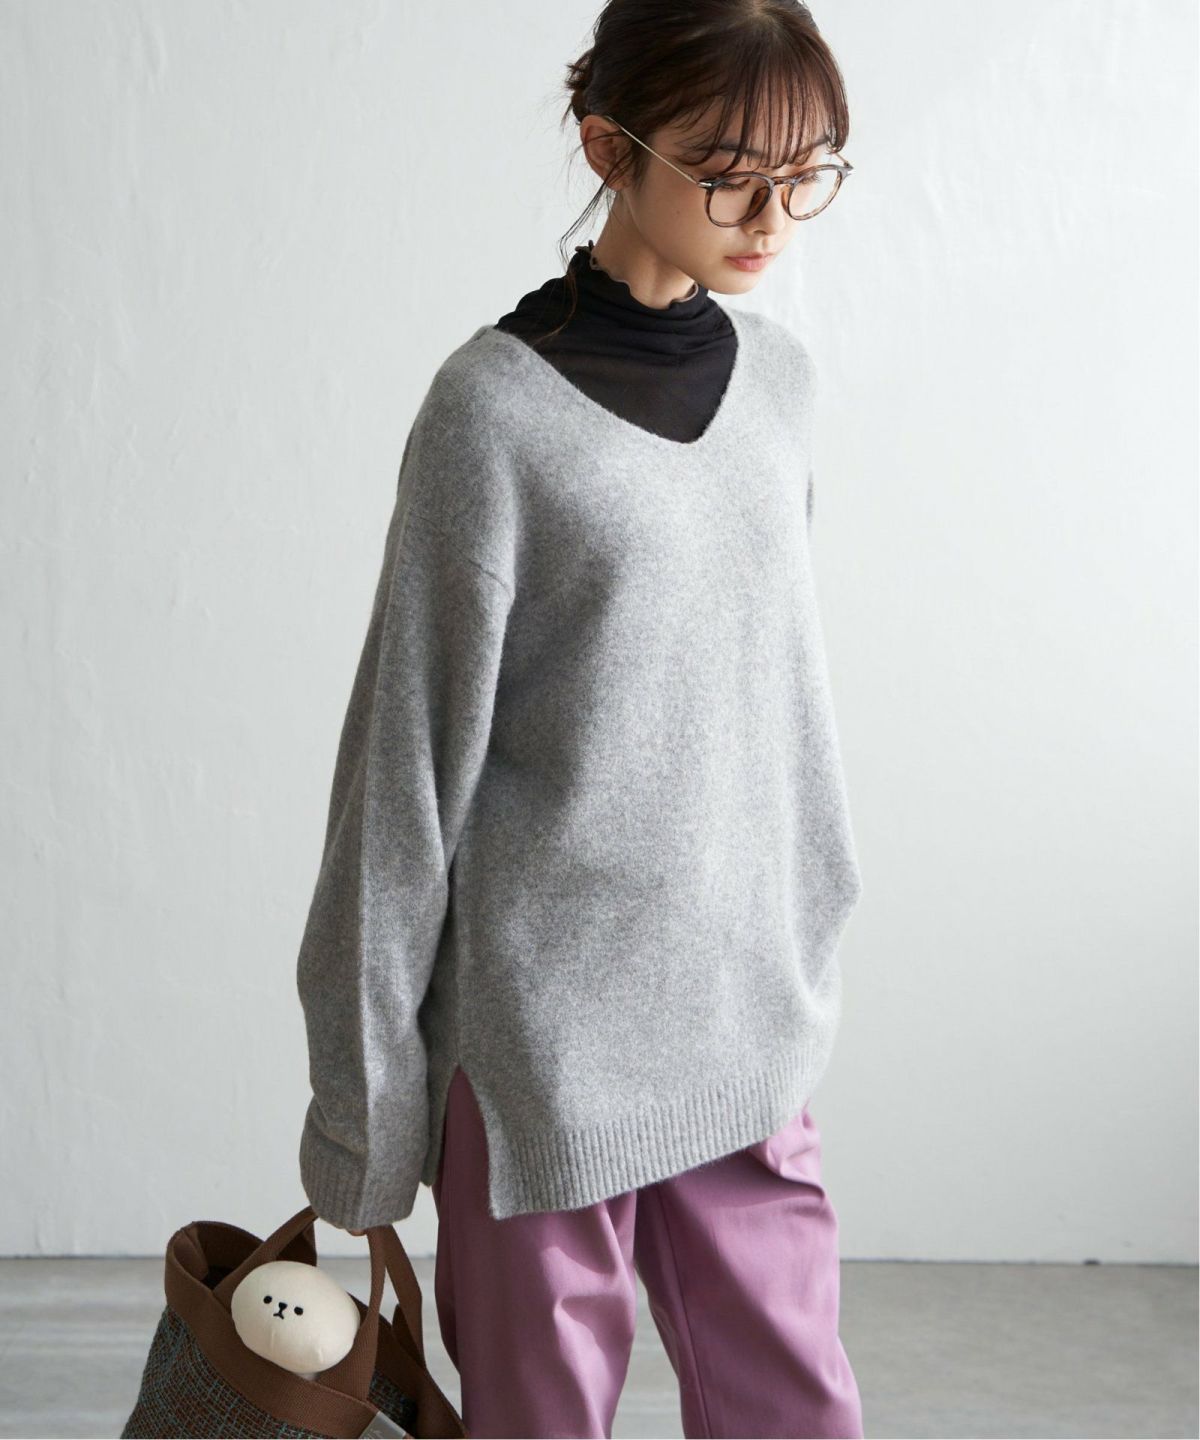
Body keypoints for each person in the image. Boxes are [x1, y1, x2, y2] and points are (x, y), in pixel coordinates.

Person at [294, 2, 865, 1435]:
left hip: (744, 1023)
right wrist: (365, 1120)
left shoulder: (783, 388)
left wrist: (806, 936)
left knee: (799, 1411)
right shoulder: (490, 415)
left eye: (806, 174)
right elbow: (401, 773)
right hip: (540, 1060)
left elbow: (775, 713)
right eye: (729, 175)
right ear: (612, 150)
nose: (772, 217)